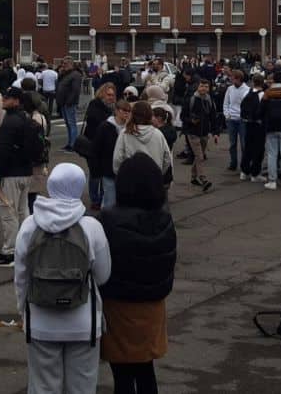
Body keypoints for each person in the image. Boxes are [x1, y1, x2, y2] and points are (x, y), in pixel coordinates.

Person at [15, 163, 111, 394]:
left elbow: (21, 276)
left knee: (42, 386)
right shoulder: (91, 227)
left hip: (40, 321)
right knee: (82, 387)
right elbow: (103, 275)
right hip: (83, 322)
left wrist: (22, 310)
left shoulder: (30, 225)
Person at [99, 153, 176, 393]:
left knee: (121, 374)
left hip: (118, 306)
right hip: (153, 305)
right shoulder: (165, 220)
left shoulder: (109, 220)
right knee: (145, 369)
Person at [0, 88, 34, 267]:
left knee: (8, 213)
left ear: (15, 101)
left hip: (11, 174)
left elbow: (3, 152)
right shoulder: (25, 118)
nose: (3, 100)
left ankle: (9, 252)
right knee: (23, 211)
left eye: (7, 98)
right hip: (26, 171)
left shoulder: (9, 123)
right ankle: (25, 246)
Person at [113, 101, 172, 177]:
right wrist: (159, 173)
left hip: (131, 178)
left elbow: (117, 158)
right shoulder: (158, 134)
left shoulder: (125, 133)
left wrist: (121, 175)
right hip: (152, 178)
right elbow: (167, 158)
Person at [182, 80, 217, 191]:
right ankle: (203, 179)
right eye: (201, 86)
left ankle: (193, 177)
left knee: (199, 157)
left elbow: (213, 117)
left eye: (206, 87)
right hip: (192, 133)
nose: (204, 88)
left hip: (204, 133)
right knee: (200, 157)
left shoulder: (209, 100)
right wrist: (191, 121)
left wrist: (215, 133)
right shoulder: (191, 100)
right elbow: (183, 116)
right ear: (197, 87)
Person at [222, 70, 250, 174]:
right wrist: (227, 115)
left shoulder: (247, 90)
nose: (230, 79)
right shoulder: (230, 89)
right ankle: (233, 163)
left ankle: (244, 164)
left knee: (243, 144)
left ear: (238, 78)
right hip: (231, 120)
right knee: (232, 144)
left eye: (232, 78)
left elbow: (247, 106)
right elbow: (226, 103)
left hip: (242, 120)